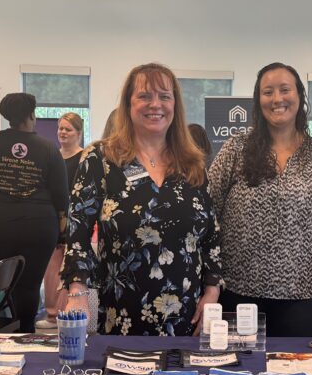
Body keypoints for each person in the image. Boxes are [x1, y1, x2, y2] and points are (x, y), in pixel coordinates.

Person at [61, 63, 220, 336]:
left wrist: (212, 292)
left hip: (187, 318)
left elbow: (211, 236)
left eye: (164, 96)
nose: (155, 104)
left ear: (175, 105)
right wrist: (77, 292)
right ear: (128, 104)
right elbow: (78, 234)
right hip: (120, 315)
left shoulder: (192, 164)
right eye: (144, 96)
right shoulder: (100, 159)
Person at [208, 62, 312, 337]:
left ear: (299, 97)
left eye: (285, 90)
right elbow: (206, 212)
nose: (277, 99)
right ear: (258, 100)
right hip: (238, 294)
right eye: (267, 92)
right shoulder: (236, 149)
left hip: (302, 297)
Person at [0, 93, 68, 333]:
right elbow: (62, 197)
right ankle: (26, 335)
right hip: (39, 224)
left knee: (4, 281)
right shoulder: (49, 149)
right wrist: (63, 235)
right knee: (29, 284)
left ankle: (1, 330)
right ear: (32, 114)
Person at [37, 111, 86, 330]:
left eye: (68, 129)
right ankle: (51, 314)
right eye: (60, 128)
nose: (62, 133)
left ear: (78, 133)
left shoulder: (84, 159)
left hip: (76, 218)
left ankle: (68, 313)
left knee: (71, 267)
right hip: (53, 217)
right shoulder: (52, 156)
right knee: (52, 265)